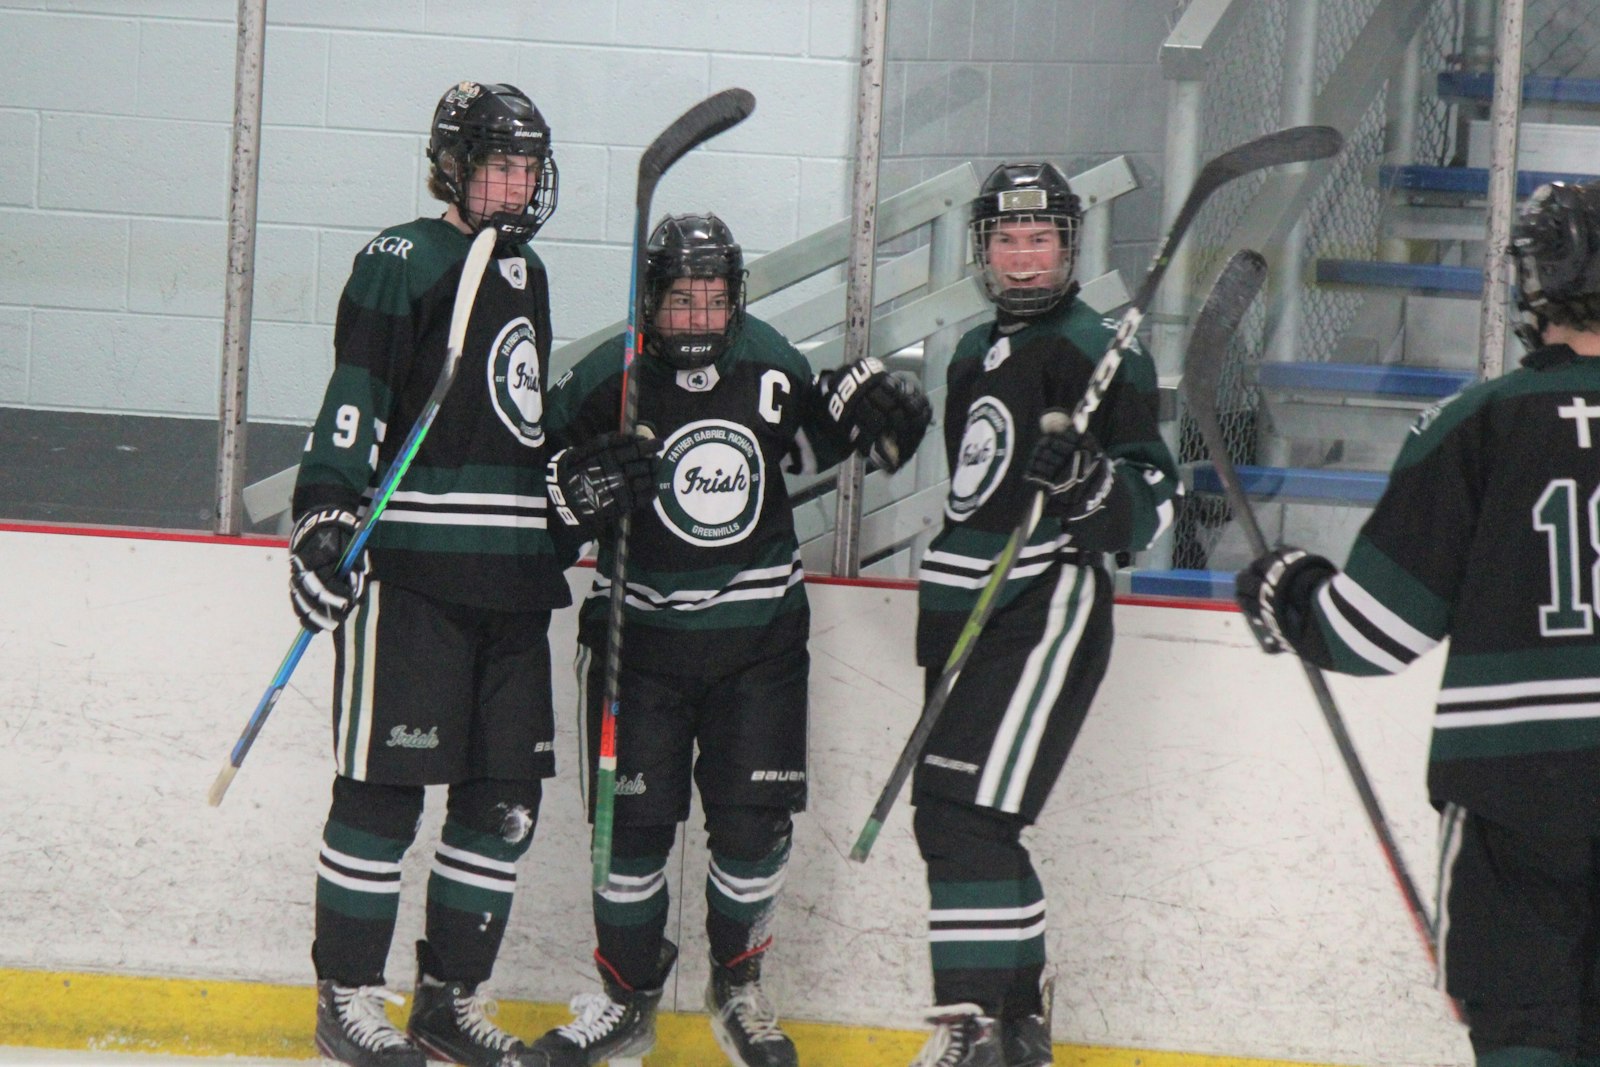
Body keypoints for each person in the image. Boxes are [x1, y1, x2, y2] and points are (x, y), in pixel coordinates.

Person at [290, 80, 657, 1067]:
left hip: (508, 581)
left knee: (502, 804)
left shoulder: (523, 273)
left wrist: (566, 497)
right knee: (380, 794)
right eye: (498, 161)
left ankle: (448, 1000)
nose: (516, 180)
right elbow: (356, 396)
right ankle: (348, 998)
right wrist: (326, 515)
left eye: (528, 164)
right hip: (411, 573)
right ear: (451, 165)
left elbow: (510, 422)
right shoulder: (401, 258)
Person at [527, 212, 932, 1067]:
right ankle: (623, 1000)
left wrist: (875, 407)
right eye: (682, 302)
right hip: (639, 647)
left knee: (753, 831)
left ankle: (738, 989)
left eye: (714, 301)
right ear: (653, 301)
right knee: (627, 836)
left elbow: (828, 432)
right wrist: (573, 490)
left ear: (735, 300)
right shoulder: (609, 377)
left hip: (758, 646)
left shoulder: (771, 364)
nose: (701, 319)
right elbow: (540, 493)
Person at [1235, 181, 1600, 1067]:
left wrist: (1288, 591)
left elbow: (1369, 634)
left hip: (1516, 794)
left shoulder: (1477, 423)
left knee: (1526, 1033)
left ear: (1536, 282)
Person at [907, 162, 1180, 1067]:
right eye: (1008, 241)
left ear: (1068, 245)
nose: (1024, 260)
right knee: (957, 818)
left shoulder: (1099, 347)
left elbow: (1153, 492)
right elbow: (975, 493)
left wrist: (1095, 483)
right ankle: (1016, 1029)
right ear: (984, 249)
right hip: (967, 610)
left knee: (965, 820)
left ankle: (975, 1024)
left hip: (1043, 602)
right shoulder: (969, 351)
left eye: (1042, 240)